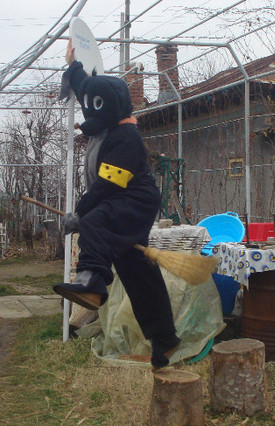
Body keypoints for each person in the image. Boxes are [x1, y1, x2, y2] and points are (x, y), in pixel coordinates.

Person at [54, 39, 180, 370]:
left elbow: (111, 183)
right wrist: (74, 66)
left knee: (95, 221)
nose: (87, 115)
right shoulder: (106, 114)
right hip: (118, 199)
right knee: (138, 274)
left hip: (133, 201)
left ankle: (93, 284)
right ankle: (165, 340)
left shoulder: (126, 139)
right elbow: (88, 91)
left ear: (109, 108)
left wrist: (79, 213)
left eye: (93, 109)